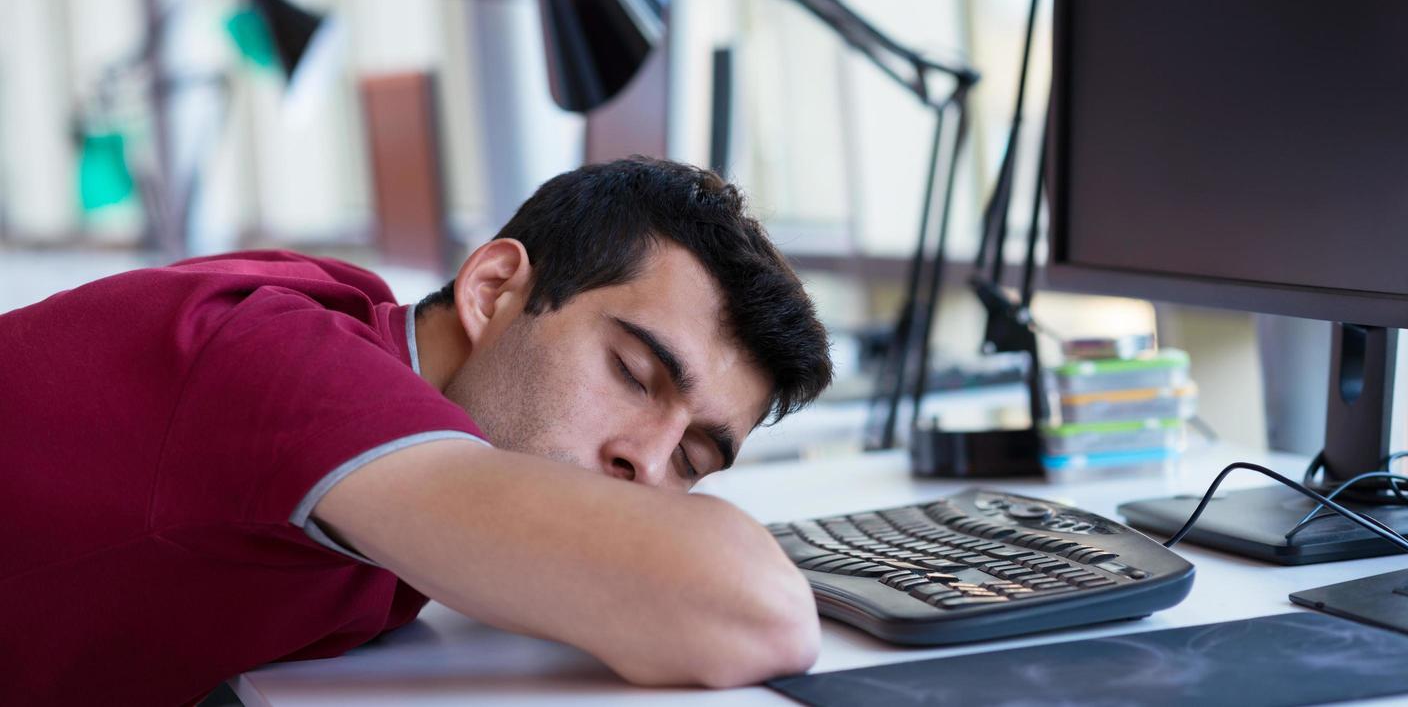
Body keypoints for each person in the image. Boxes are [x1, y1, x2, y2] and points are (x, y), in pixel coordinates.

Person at [2, 157, 833, 705]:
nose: (645, 463)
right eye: (632, 375)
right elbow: (756, 614)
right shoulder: (287, 363)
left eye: (693, 457)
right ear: (492, 288)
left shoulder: (368, 332)